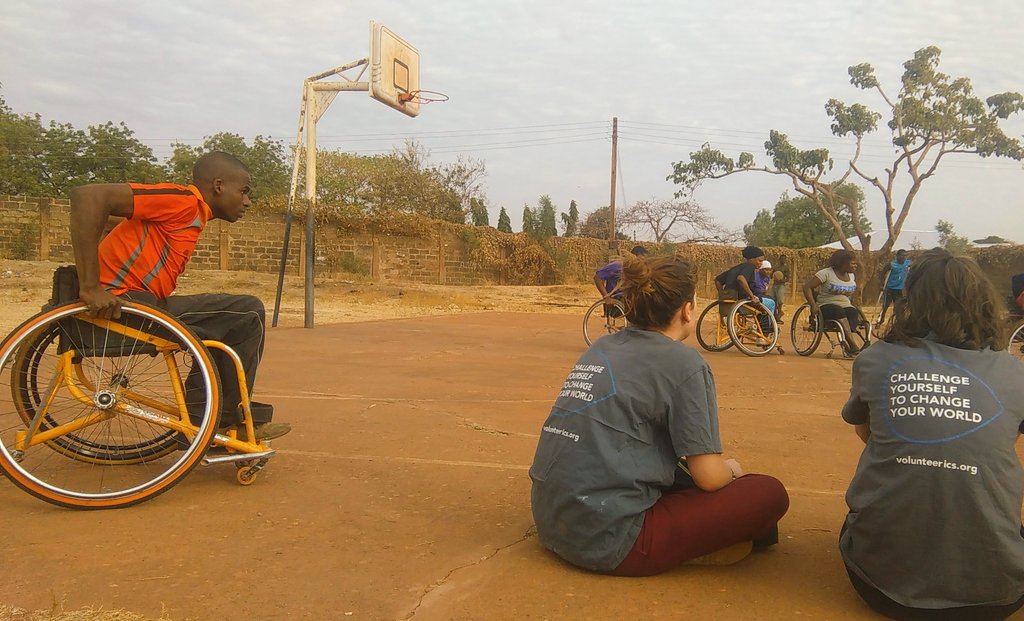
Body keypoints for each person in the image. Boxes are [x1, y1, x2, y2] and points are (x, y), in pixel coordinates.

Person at [531, 253, 790, 576]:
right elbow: (709, 477)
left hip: (552, 520)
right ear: (687, 309)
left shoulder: (601, 346)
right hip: (613, 540)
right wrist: (731, 470)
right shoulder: (684, 363)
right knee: (767, 493)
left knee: (681, 472)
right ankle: (697, 545)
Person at [839, 248, 1024, 620]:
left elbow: (866, 432)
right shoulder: (1014, 373)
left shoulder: (876, 358)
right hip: (996, 595)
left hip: (879, 586)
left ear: (911, 302)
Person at [69, 151, 290, 441]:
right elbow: (88, 196)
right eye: (244, 191)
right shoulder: (183, 200)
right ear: (219, 186)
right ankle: (222, 422)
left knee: (223, 321)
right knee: (247, 313)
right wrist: (90, 287)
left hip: (136, 305)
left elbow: (107, 218)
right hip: (126, 306)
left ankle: (208, 421)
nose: (247, 201)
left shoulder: (189, 216)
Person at [801, 249, 867, 356]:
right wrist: (813, 305)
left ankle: (847, 342)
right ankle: (852, 344)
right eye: (853, 263)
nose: (855, 266)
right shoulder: (826, 273)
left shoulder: (851, 276)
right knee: (838, 310)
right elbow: (807, 287)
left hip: (845, 305)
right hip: (826, 305)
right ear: (843, 263)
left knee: (852, 312)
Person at [593, 244, 647, 316]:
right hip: (616, 301)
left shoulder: (634, 270)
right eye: (642, 258)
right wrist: (606, 296)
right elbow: (597, 278)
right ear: (635, 256)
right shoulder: (617, 266)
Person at [875, 249, 911, 327]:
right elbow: (882, 273)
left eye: (905, 256)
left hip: (900, 289)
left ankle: (898, 323)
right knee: (885, 306)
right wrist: (881, 284)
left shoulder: (908, 263)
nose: (904, 257)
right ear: (897, 256)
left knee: (898, 307)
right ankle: (880, 321)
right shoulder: (892, 264)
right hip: (890, 288)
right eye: (902, 256)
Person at [769, 255, 790, 324]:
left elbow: (788, 278)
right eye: (782, 259)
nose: (783, 260)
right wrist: (774, 275)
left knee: (780, 301)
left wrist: (782, 280)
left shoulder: (786, 268)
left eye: (784, 259)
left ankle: (779, 313)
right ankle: (775, 316)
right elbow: (771, 276)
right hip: (775, 285)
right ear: (779, 259)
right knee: (773, 300)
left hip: (781, 285)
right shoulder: (776, 267)